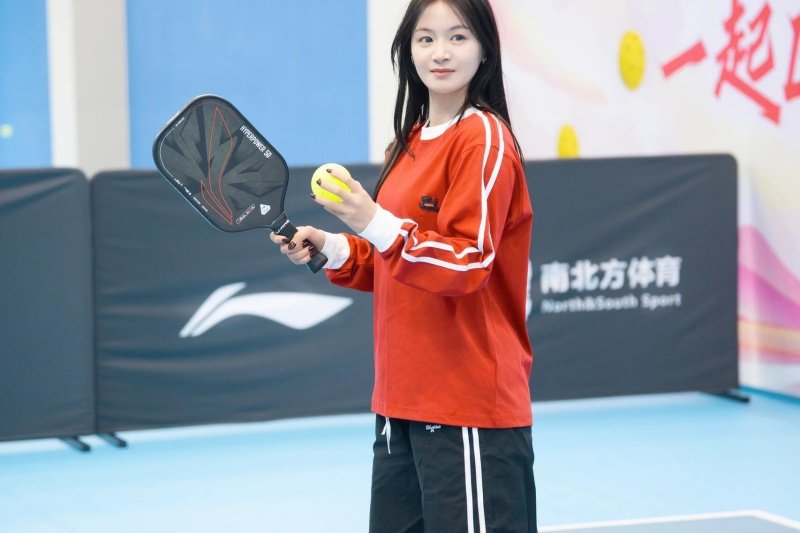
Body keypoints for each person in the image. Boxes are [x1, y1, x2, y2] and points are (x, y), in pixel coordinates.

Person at [270, 0, 536, 531]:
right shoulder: (407, 142)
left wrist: (372, 220)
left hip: (468, 407)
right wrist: (335, 246)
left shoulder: (483, 139)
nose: (441, 52)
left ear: (484, 49)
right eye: (426, 39)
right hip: (399, 405)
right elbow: (398, 259)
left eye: (458, 38)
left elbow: (468, 261)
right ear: (407, 51)